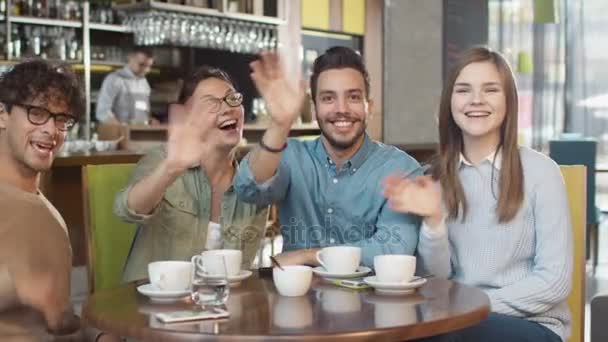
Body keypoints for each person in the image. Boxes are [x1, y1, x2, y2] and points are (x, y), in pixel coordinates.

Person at [382, 46, 572, 342]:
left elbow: (554, 281)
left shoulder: (541, 172)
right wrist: (433, 220)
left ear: (508, 101)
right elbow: (439, 276)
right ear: (450, 102)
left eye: (490, 89)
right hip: (458, 320)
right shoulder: (435, 178)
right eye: (464, 90)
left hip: (534, 324)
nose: (476, 100)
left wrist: (469, 307)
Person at [234, 47, 422, 267]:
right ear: (314, 110)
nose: (341, 109)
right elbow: (247, 189)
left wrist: (309, 256)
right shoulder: (291, 157)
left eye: (353, 97)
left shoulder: (401, 168)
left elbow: (394, 249)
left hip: (372, 300)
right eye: (328, 98)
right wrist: (280, 124)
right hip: (297, 296)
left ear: (369, 107)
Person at [114, 66, 269, 282]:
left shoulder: (252, 186)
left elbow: (242, 271)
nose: (227, 108)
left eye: (232, 99)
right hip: (153, 305)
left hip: (220, 307)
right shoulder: (162, 160)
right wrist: (170, 169)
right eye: (211, 103)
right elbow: (126, 209)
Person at [0, 60, 106, 341]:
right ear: (2, 115)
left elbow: (56, 322)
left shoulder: (49, 215)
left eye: (61, 119)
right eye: (37, 113)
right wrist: (16, 287)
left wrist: (95, 336)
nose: (51, 130)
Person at [96, 46, 155, 125]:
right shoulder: (114, 79)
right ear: (130, 58)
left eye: (149, 66)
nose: (146, 70)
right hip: (118, 135)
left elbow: (142, 110)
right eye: (141, 64)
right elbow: (102, 112)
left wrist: (150, 120)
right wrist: (121, 129)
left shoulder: (144, 83)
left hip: (140, 133)